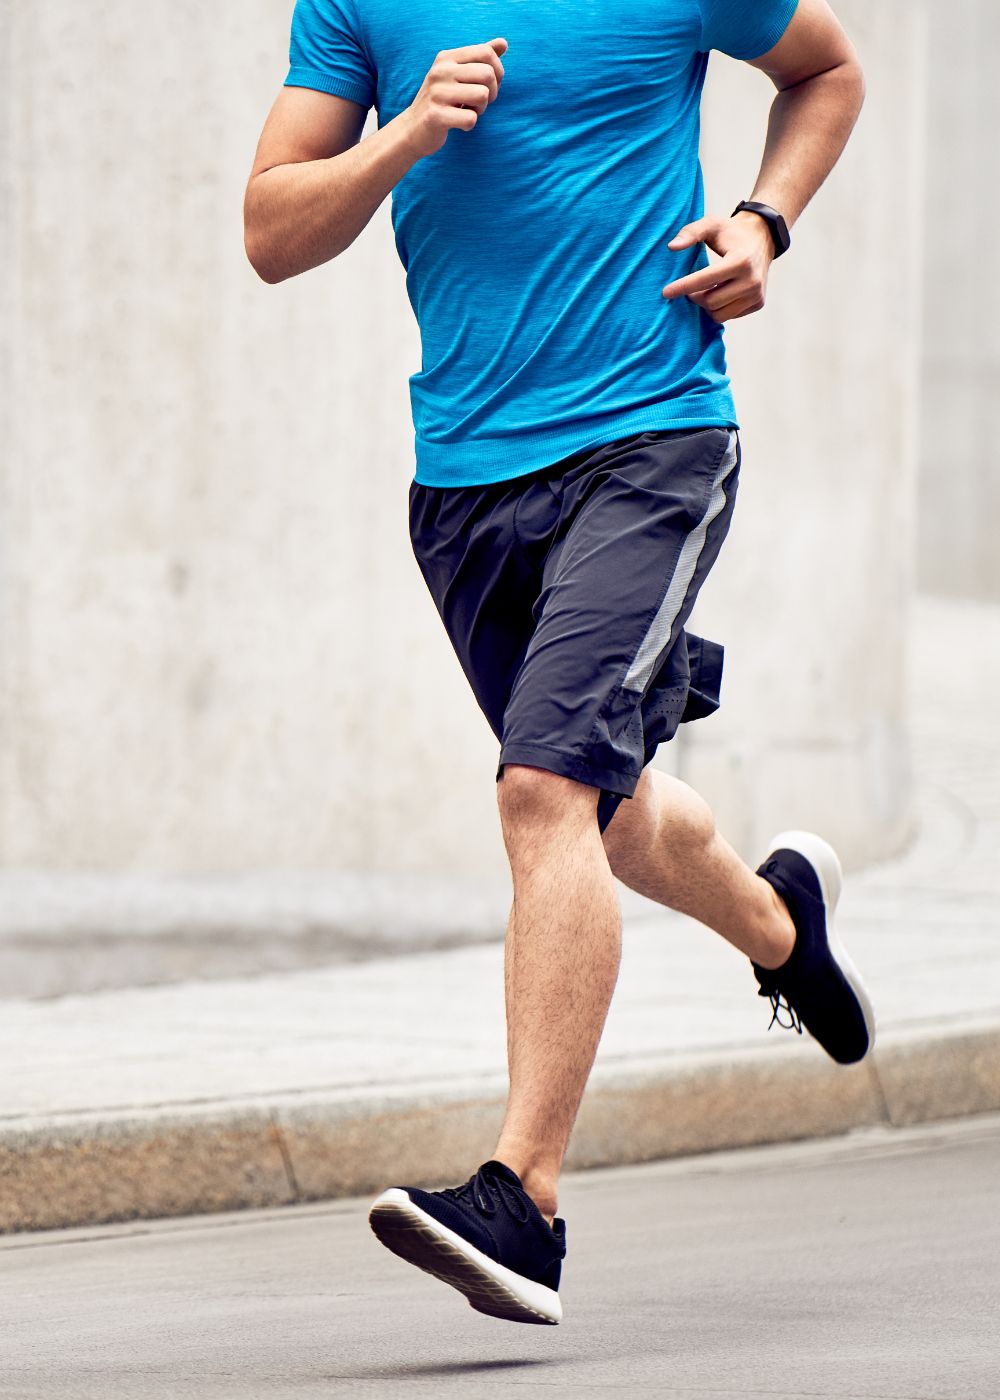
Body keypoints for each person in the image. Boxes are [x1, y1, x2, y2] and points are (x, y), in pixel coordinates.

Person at [244, 0, 874, 1327]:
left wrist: (764, 223)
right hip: (464, 479)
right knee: (604, 805)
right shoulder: (355, 6)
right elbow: (271, 231)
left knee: (543, 791)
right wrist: (405, 134)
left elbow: (824, 68)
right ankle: (778, 926)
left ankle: (522, 1202)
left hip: (653, 437)